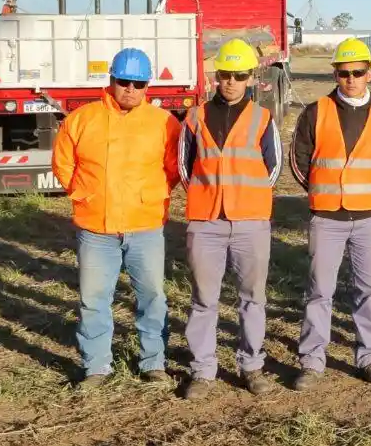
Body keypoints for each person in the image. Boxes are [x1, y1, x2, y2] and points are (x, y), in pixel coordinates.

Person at [51, 47, 182, 388]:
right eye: (124, 81)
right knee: (94, 300)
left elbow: (173, 169)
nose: (130, 90)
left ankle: (154, 363)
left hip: (145, 226)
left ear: (147, 86)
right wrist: (84, 195)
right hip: (96, 229)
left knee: (153, 297)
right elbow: (64, 163)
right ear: (111, 81)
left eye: (138, 84)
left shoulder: (164, 123)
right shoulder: (83, 119)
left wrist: (150, 197)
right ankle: (96, 367)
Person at [289, 37, 371, 391]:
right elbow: (299, 160)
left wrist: (361, 189)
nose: (350, 78)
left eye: (357, 72)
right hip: (327, 217)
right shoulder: (315, 111)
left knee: (368, 291)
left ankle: (370, 358)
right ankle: (312, 360)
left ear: (370, 72)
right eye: (343, 73)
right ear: (335, 74)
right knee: (320, 291)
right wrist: (324, 190)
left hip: (370, 218)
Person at [178, 39, 283, 399]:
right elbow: (184, 165)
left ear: (251, 78)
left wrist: (246, 200)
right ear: (215, 77)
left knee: (253, 297)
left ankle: (251, 366)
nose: (231, 81)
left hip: (250, 221)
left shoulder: (262, 117)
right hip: (206, 221)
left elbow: (273, 168)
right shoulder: (195, 116)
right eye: (225, 74)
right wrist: (207, 197)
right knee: (204, 298)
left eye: (239, 75)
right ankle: (203, 370)